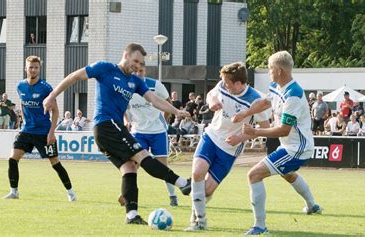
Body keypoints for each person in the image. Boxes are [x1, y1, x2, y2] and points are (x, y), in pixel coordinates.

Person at [42, 43, 191, 225]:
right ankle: (183, 184)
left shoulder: (135, 81)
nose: (137, 66)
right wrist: (52, 96)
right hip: (107, 125)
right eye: (135, 61)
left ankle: (131, 215)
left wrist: (176, 111)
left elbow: (154, 100)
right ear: (126, 55)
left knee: (129, 167)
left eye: (141, 63)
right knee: (142, 156)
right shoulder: (105, 68)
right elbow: (74, 77)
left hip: (111, 130)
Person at [235, 51, 322, 235]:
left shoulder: (294, 95)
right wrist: (245, 113)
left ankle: (260, 227)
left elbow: (284, 130)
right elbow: (265, 102)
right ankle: (312, 205)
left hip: (297, 148)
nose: (269, 72)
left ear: (279, 71)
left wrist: (255, 132)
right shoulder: (276, 86)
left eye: (270, 69)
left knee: (254, 175)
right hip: (291, 145)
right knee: (288, 174)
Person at [184, 62, 270, 231]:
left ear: (238, 83)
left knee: (207, 190)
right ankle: (199, 222)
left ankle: (196, 210)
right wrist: (213, 101)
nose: (224, 85)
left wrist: (241, 137)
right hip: (211, 136)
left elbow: (265, 128)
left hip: (229, 149)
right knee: (197, 172)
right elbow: (211, 94)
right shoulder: (223, 84)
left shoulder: (255, 100)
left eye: (227, 83)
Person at [4, 55, 76, 202]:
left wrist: (52, 133)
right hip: (26, 131)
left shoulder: (46, 88)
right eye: (31, 67)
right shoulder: (20, 86)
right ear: (26, 68)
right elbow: (23, 105)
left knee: (55, 163)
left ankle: (71, 192)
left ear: (39, 69)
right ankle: (14, 192)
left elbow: (55, 111)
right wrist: (24, 122)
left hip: (43, 133)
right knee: (12, 159)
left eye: (36, 67)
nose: (33, 70)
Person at [125, 64, 179, 207]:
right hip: (138, 131)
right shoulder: (126, 86)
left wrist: (165, 120)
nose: (138, 73)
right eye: (135, 71)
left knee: (162, 167)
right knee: (133, 164)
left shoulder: (156, 85)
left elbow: (168, 103)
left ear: (145, 71)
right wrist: (126, 120)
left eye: (141, 71)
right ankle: (128, 195)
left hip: (158, 131)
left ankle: (172, 195)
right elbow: (122, 107)